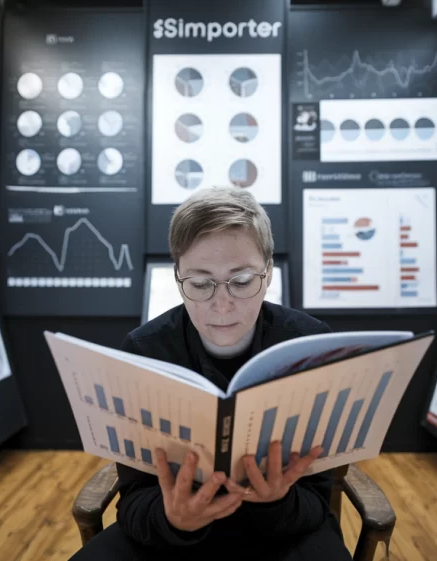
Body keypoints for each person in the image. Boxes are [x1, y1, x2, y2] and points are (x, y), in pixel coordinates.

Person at [71, 187, 352, 560]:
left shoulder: (312, 344)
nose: (222, 304)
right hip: (174, 540)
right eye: (201, 283)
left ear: (267, 274)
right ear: (178, 278)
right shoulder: (144, 351)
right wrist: (173, 519)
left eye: (242, 280)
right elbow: (136, 499)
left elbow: (317, 500)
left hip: (282, 530)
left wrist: (276, 501)